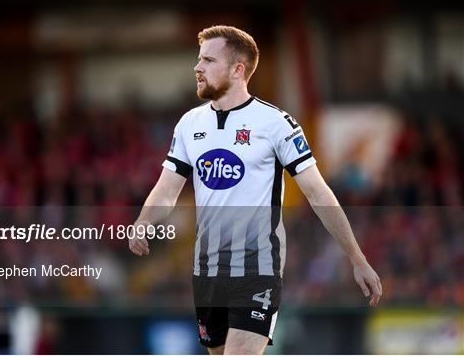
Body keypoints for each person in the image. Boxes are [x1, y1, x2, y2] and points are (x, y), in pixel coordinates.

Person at [129, 25, 382, 355]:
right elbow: (166, 191)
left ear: (238, 70)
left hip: (257, 267)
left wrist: (356, 257)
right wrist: (144, 222)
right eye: (198, 59)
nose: (197, 67)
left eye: (208, 60)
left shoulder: (275, 123)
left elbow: (319, 194)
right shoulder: (189, 124)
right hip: (206, 270)